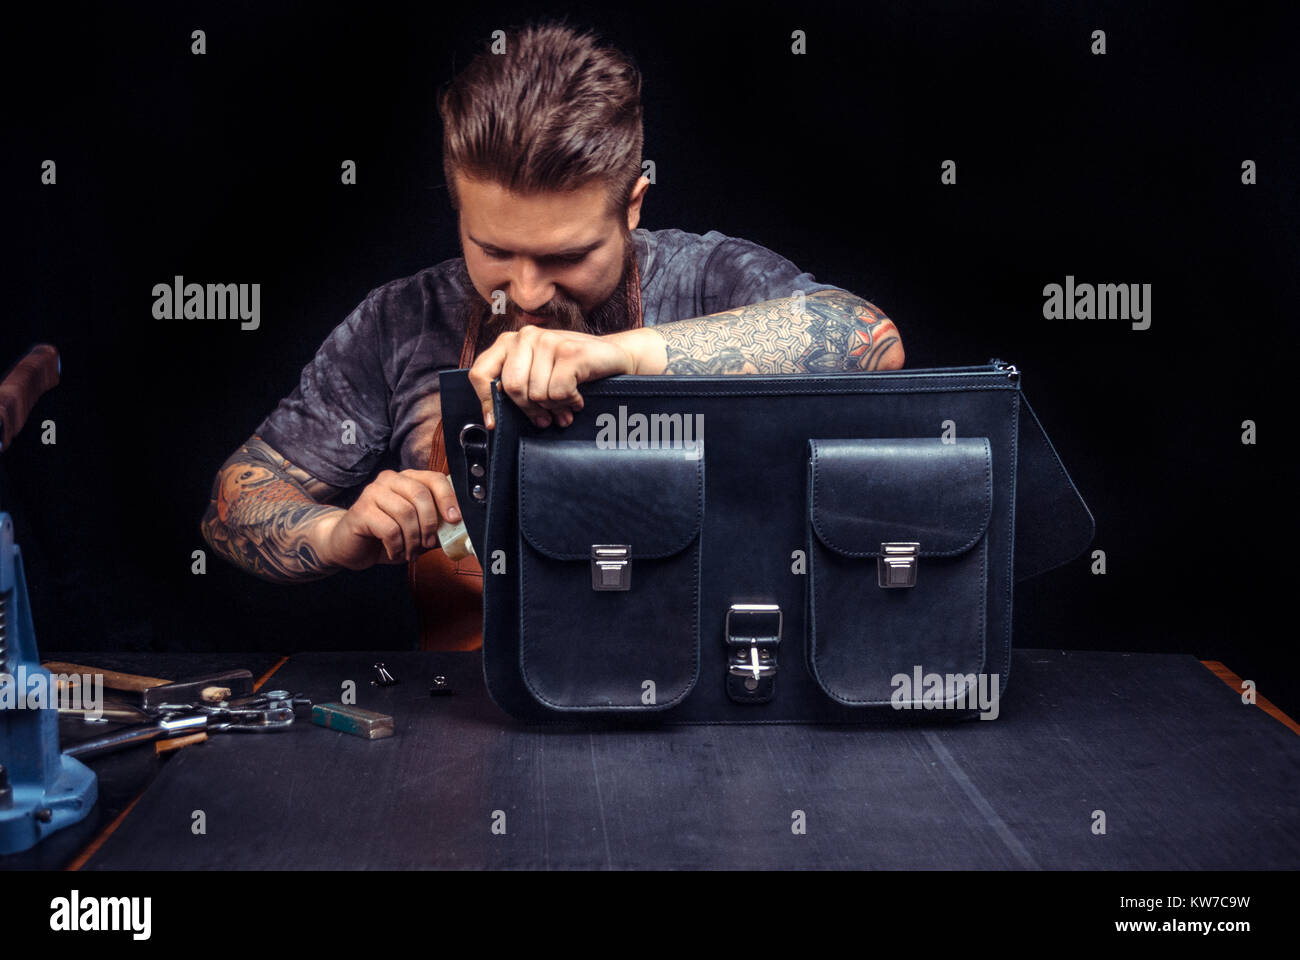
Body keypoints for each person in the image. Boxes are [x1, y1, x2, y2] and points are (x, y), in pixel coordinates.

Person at [200, 21, 904, 649]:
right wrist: (334, 533)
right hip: (475, 722)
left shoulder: (708, 280)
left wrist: (614, 355)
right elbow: (235, 497)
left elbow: (870, 337)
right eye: (495, 252)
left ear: (631, 206)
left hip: (707, 705)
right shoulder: (400, 322)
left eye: (567, 257)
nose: (527, 291)